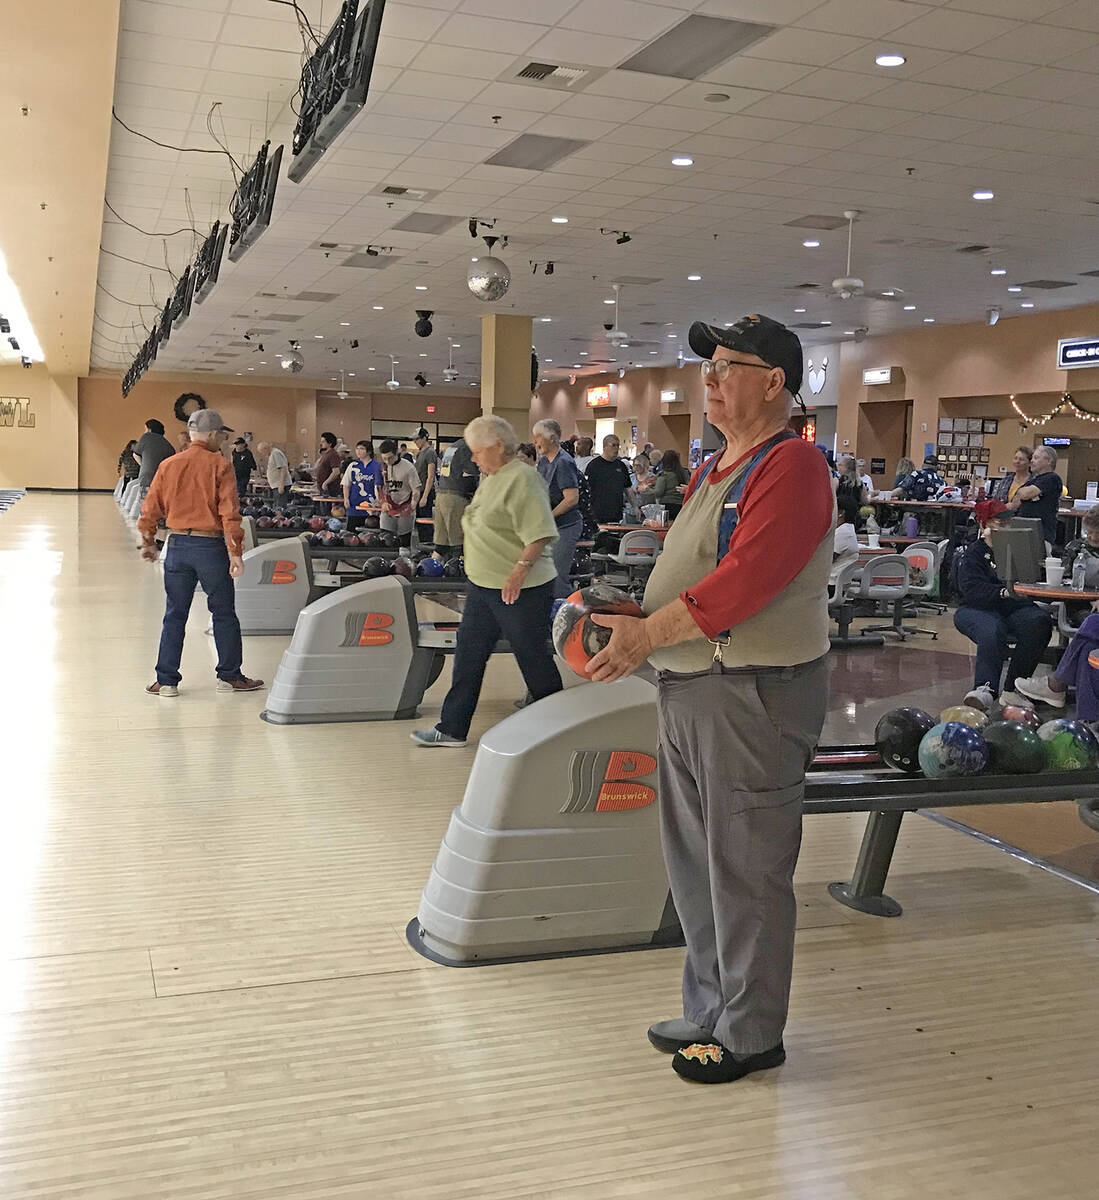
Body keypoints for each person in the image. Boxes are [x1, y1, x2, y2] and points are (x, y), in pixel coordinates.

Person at [583, 312, 833, 1085]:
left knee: (746, 868)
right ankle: (709, 1011)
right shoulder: (715, 466)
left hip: (750, 694)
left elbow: (745, 582)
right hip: (692, 686)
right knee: (695, 862)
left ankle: (752, 1033)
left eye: (729, 365)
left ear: (774, 383)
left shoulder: (792, 467)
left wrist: (646, 636)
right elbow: (694, 576)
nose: (711, 377)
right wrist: (631, 618)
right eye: (709, 364)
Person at [411, 415, 562, 748]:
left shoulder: (523, 479)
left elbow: (539, 534)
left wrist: (518, 571)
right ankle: (451, 728)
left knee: (532, 656)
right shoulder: (492, 477)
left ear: (497, 446)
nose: (474, 458)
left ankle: (559, 726)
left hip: (520, 588)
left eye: (477, 451)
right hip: (484, 585)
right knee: (469, 653)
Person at [137, 407, 263, 697]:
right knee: (223, 613)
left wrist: (147, 541)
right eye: (221, 434)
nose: (223, 439)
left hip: (177, 546)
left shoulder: (169, 465)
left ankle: (166, 680)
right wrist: (235, 552)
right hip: (210, 548)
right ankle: (230, 676)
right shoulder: (220, 464)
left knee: (174, 614)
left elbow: (150, 507)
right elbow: (229, 512)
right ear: (210, 434)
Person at [952, 499, 1051, 712]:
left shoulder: (1020, 550)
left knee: (1039, 621)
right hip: (976, 608)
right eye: (998, 522)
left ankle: (1014, 688)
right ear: (984, 525)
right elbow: (972, 591)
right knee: (991, 629)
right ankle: (984, 689)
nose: (1004, 527)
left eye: (1007, 522)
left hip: (1014, 607)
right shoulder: (973, 554)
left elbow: (1034, 579)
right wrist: (1003, 592)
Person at [533, 418, 583, 598]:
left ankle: (568, 615)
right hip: (551, 525)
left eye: (538, 437)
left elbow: (571, 499)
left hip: (566, 526)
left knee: (556, 576)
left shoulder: (563, 462)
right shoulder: (545, 462)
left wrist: (548, 515)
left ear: (552, 438)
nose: (535, 442)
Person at [1006, 443, 1062, 550]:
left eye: (1036, 458)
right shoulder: (1033, 480)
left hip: (1040, 535)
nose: (1032, 461)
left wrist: (1023, 493)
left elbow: (1025, 494)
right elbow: (1015, 503)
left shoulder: (1052, 478)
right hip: (1023, 532)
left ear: (1049, 461)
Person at [433, 436, 479, 561]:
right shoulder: (467, 448)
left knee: (440, 547)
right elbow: (471, 475)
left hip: (441, 495)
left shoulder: (452, 447)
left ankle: (431, 570)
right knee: (459, 545)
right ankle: (457, 574)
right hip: (455, 497)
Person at [377, 439, 420, 548]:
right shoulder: (381, 467)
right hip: (388, 507)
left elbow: (416, 489)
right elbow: (378, 487)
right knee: (385, 539)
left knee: (403, 541)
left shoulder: (409, 467)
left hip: (405, 506)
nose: (387, 461)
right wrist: (382, 502)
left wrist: (414, 503)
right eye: (384, 458)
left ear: (397, 453)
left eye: (390, 457)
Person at [585, 435, 633, 524]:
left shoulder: (621, 466)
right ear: (605, 446)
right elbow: (587, 489)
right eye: (613, 445)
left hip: (616, 513)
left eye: (618, 446)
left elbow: (628, 488)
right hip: (598, 513)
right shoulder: (594, 466)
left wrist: (635, 506)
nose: (616, 449)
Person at [342, 440, 384, 531]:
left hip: (371, 504)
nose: (358, 451)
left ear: (369, 451)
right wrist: (346, 498)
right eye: (357, 449)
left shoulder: (377, 466)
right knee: (351, 531)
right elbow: (346, 483)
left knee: (370, 531)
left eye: (362, 449)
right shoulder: (353, 465)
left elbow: (380, 485)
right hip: (354, 503)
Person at [638, 448, 689, 519]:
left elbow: (658, 492)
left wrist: (646, 488)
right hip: (682, 505)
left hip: (667, 506)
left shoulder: (664, 475)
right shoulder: (685, 473)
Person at [133, 417, 175, 500]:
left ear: (149, 429)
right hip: (163, 479)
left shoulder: (146, 437)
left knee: (145, 504)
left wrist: (143, 465)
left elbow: (135, 454)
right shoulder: (166, 443)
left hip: (147, 477)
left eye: (145, 429)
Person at [830, 490, 861, 594]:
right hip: (837, 584)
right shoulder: (847, 530)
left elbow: (826, 561)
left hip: (832, 585)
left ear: (840, 513)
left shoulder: (843, 533)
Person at [412, 429, 438, 520]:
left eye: (417, 439)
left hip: (425, 491)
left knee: (425, 522)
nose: (415, 442)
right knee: (419, 521)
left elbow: (430, 476)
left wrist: (425, 496)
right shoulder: (420, 453)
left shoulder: (430, 452)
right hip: (419, 490)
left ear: (424, 438)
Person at [256, 441, 292, 506]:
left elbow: (283, 468)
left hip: (280, 485)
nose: (262, 454)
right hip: (276, 485)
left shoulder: (276, 453)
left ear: (265, 448)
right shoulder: (272, 454)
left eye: (262, 452)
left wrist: (281, 484)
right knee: (277, 505)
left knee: (280, 506)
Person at [314, 432, 343, 497]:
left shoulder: (333, 454)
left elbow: (336, 471)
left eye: (323, 441)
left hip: (329, 489)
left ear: (330, 443)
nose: (321, 444)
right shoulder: (326, 454)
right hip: (323, 488)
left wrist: (326, 483)